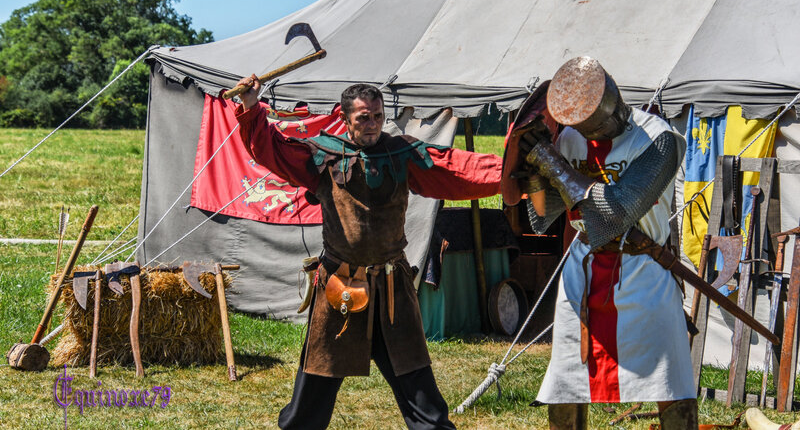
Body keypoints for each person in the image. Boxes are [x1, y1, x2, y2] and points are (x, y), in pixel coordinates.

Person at [233, 75, 502, 429]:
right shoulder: (324, 155)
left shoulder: (400, 153)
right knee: (313, 390)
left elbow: (454, 168)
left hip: (392, 291)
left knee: (419, 390)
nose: (372, 124)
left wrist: (510, 170)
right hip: (341, 288)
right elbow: (274, 149)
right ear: (345, 120)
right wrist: (251, 109)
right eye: (363, 118)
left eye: (377, 116)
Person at [517, 57, 696, 429]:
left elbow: (615, 214)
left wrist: (552, 164)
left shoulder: (658, 138)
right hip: (582, 273)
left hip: (646, 270)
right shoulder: (568, 139)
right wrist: (533, 166)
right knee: (565, 382)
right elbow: (542, 213)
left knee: (671, 378)